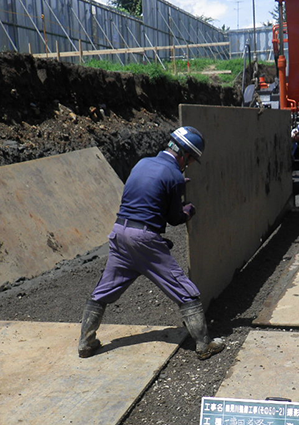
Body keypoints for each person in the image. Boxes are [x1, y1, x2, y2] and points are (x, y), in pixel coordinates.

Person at [77, 126, 225, 360]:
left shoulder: (142, 163)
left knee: (103, 291)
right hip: (144, 239)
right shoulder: (175, 176)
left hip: (120, 233)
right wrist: (189, 210)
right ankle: (204, 344)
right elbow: (174, 218)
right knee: (185, 291)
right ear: (185, 155)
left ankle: (86, 342)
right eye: (192, 159)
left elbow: (144, 196)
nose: (191, 164)